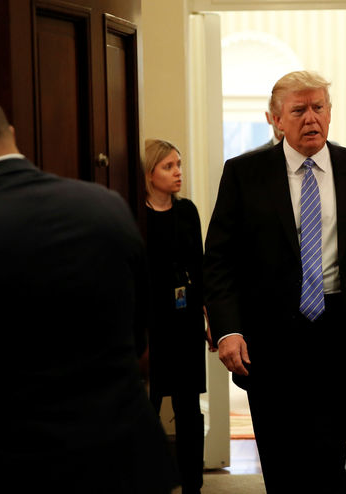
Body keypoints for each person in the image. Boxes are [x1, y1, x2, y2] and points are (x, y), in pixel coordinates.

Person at [0, 79, 177, 493]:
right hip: (125, 462)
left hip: (12, 468)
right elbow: (137, 342)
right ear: (11, 136)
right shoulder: (106, 208)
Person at [204, 70, 346, 493]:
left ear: (329, 114)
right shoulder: (244, 174)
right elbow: (219, 260)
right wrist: (228, 329)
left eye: (318, 108)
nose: (311, 118)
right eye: (298, 110)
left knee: (330, 455)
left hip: (340, 333)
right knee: (282, 460)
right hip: (270, 339)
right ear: (275, 120)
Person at [141, 138, 210, 493]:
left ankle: (192, 484)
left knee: (188, 408)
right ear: (150, 174)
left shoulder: (188, 212)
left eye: (179, 164)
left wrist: (209, 318)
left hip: (185, 322)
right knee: (147, 406)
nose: (178, 172)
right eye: (168, 167)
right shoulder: (136, 215)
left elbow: (199, 268)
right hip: (151, 326)